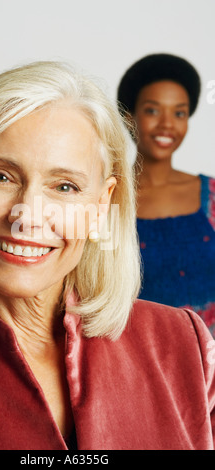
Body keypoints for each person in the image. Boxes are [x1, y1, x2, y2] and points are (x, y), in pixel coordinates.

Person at [0, 61, 214, 450]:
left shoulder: (184, 345)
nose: (27, 216)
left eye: (65, 187)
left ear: (102, 205)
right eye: (0, 176)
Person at [117, 53, 215, 338]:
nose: (167, 124)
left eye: (179, 113)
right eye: (152, 110)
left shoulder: (211, 195)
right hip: (138, 361)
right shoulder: (107, 197)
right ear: (129, 117)